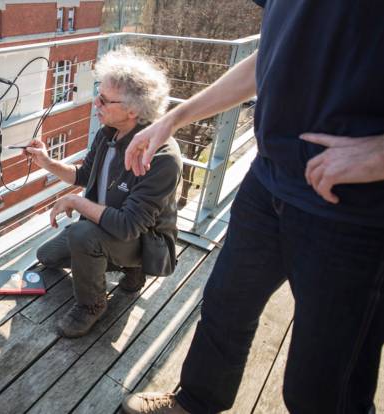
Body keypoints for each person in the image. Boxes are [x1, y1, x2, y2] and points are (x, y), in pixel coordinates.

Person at [121, 1, 384, 413]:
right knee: (225, 307)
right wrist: (175, 118)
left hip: (353, 214)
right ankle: (196, 402)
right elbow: (277, 52)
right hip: (267, 182)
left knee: (324, 383)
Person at [26, 47, 182, 338]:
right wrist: (46, 162)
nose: (95, 102)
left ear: (133, 110)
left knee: (81, 236)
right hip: (105, 226)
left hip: (142, 240)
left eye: (104, 99)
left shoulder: (162, 157)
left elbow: (128, 226)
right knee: (46, 256)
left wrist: (75, 202)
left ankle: (92, 305)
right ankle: (125, 269)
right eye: (98, 93)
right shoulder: (108, 131)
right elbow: (84, 176)